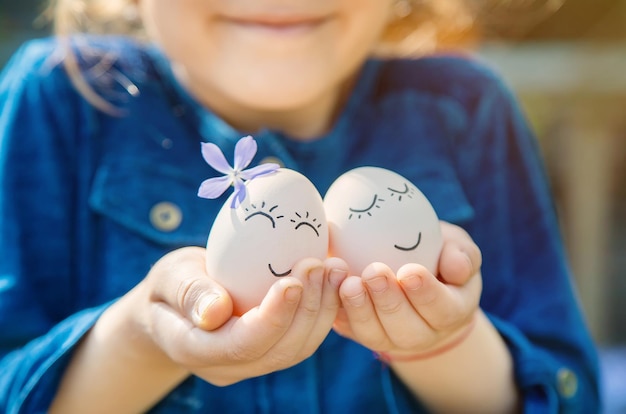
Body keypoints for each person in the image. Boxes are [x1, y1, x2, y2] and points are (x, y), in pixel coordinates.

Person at [0, 0, 600, 413]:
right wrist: (143, 339)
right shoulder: (65, 101)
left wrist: (442, 342)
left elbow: (569, 396)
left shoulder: (466, 112)